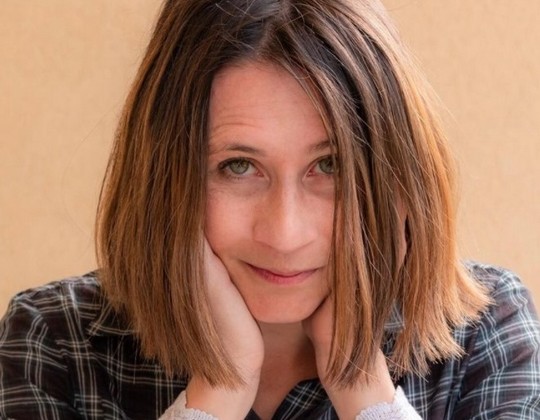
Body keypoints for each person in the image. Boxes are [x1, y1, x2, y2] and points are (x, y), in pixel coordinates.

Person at [1, 0, 539, 418]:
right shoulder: (56, 340)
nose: (284, 234)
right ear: (163, 177)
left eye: (330, 165)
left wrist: (361, 386)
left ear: (394, 175)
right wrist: (220, 388)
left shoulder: (485, 333)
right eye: (238, 166)